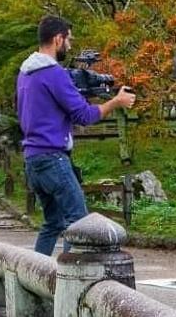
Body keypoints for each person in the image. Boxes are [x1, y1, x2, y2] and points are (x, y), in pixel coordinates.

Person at [17, 16, 136, 255]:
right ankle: (71, 281)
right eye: (68, 40)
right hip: (53, 159)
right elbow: (84, 115)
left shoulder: (26, 73)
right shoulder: (53, 73)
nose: (69, 46)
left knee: (52, 223)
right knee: (80, 224)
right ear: (57, 39)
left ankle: (34, 278)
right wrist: (116, 102)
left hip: (32, 159)